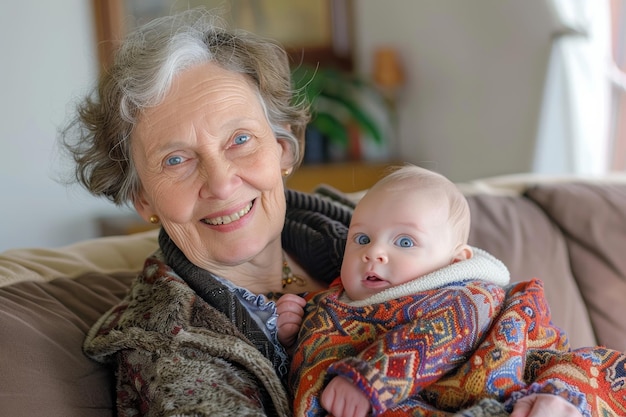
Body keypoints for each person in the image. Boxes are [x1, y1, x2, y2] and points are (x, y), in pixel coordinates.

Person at [59, 7, 590, 417]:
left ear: (284, 151)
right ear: (144, 199)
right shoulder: (169, 349)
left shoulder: (367, 227)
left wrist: (566, 393)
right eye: (177, 159)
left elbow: (521, 339)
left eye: (241, 140)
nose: (221, 182)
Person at [278, 165, 626, 417]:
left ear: (453, 260)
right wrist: (295, 325)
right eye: (362, 238)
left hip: (513, 375)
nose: (374, 252)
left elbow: (436, 337)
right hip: (428, 401)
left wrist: (369, 379)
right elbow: (319, 355)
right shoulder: (329, 304)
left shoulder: (467, 297)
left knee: (598, 368)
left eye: (404, 241)